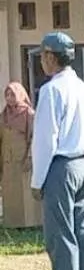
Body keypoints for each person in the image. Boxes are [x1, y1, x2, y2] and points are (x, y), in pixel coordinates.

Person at [29, 32, 84, 270]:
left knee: (61, 234)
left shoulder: (51, 90)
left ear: (49, 57)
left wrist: (38, 180)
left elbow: (46, 138)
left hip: (60, 165)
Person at [2, 82, 42, 229]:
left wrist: (30, 157)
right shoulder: (4, 115)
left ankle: (32, 223)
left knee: (26, 193)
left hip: (24, 159)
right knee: (11, 193)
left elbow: (34, 137)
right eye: (7, 95)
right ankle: (13, 224)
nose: (9, 98)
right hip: (8, 160)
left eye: (12, 94)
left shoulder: (29, 114)